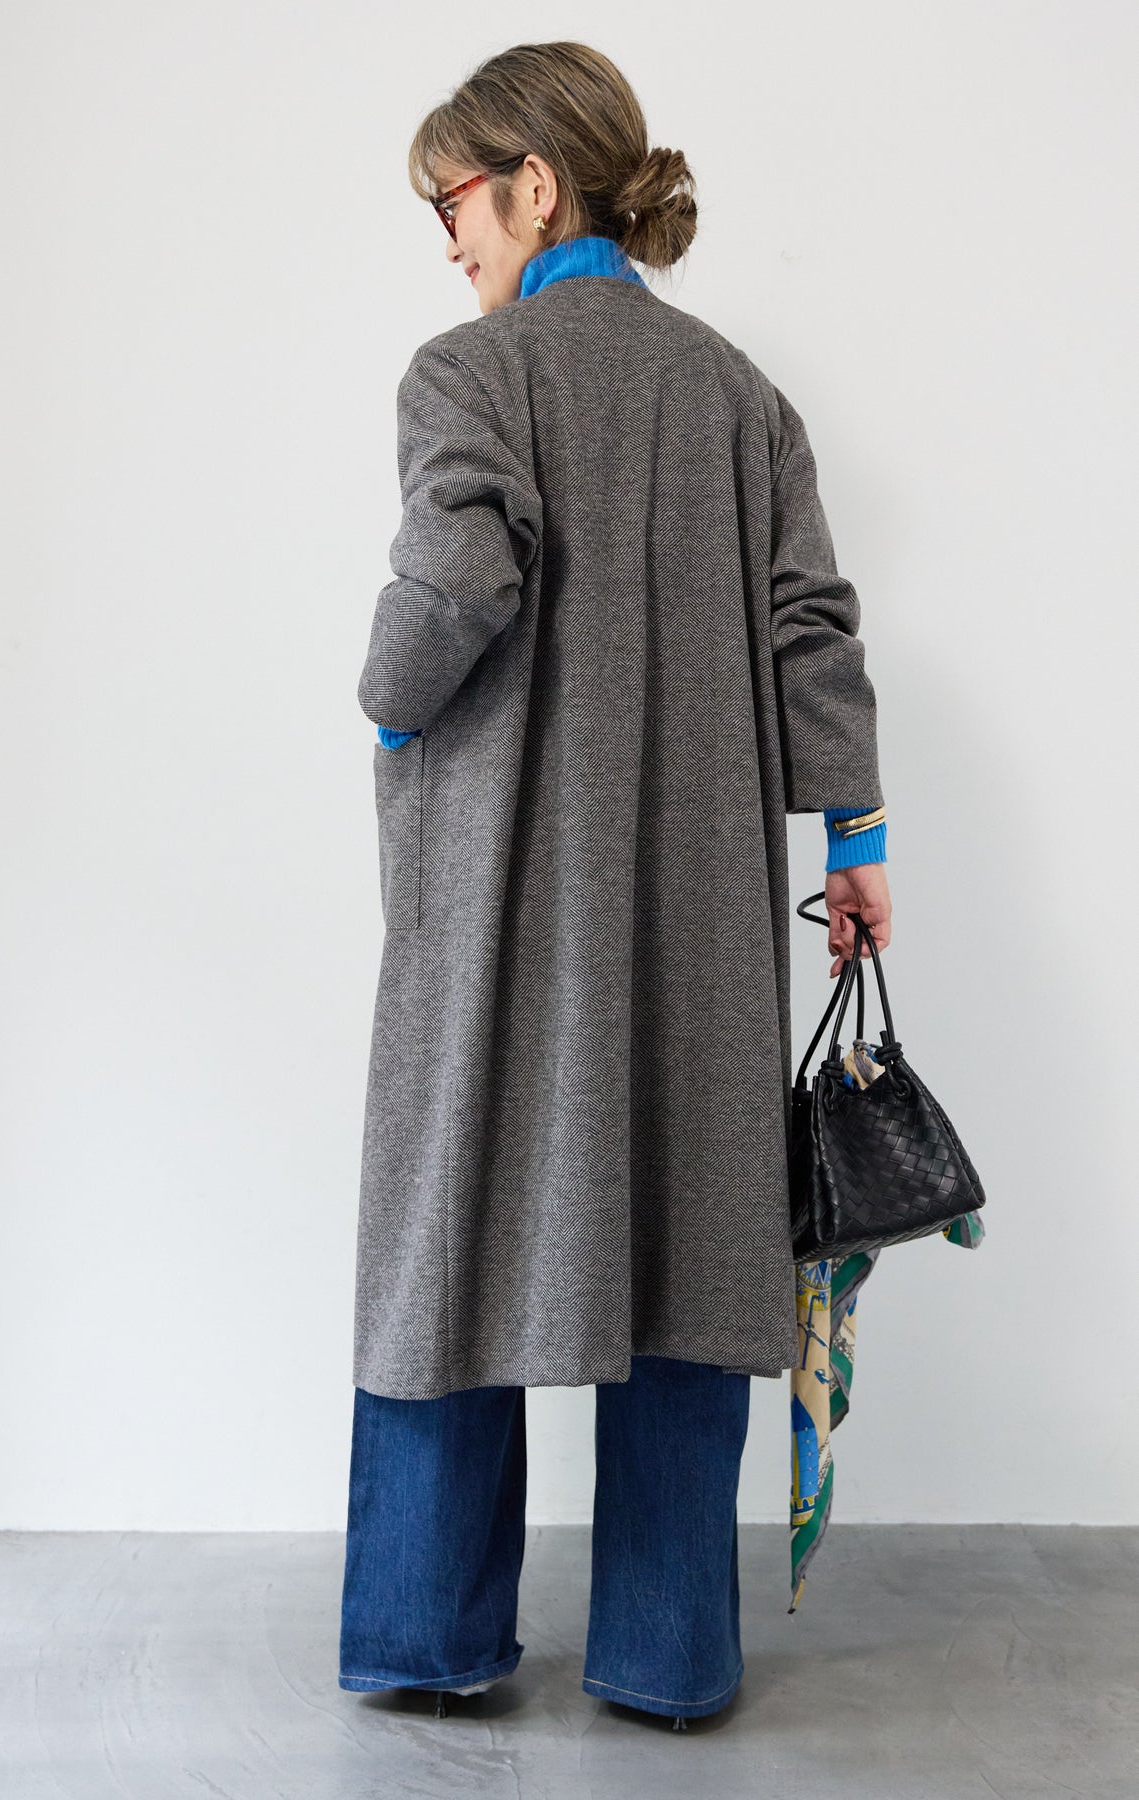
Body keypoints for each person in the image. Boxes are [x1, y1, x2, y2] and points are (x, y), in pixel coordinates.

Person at [339, 40, 892, 1730]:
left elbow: (458, 570)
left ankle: (429, 1636)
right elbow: (809, 625)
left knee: (447, 1233)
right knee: (688, 1239)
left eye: (452, 197)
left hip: (501, 901)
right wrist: (853, 843)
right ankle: (667, 1656)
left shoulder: (469, 371)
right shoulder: (738, 395)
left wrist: (387, 705)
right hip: (697, 915)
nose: (445, 236)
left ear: (535, 184)